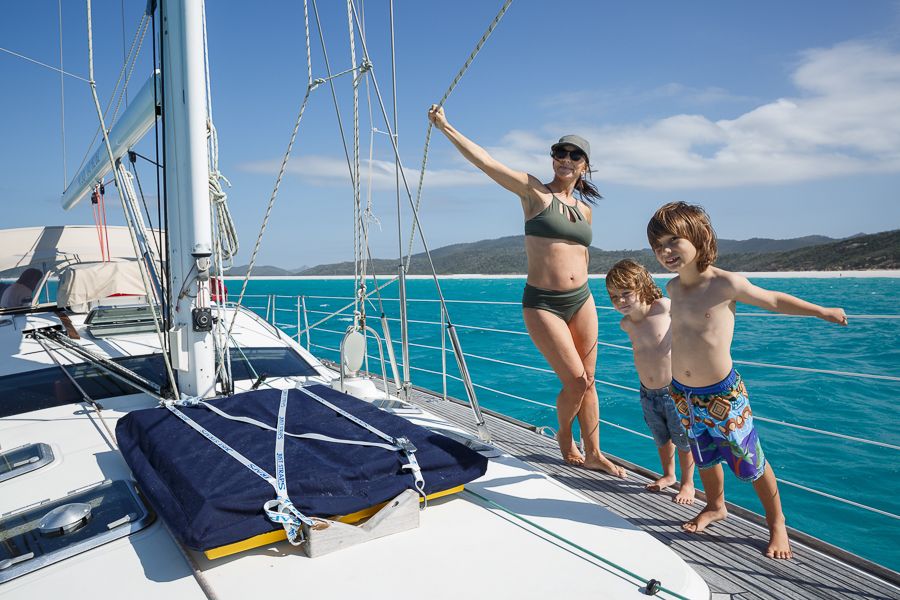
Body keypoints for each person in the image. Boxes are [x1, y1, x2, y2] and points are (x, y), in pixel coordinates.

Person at [428, 104, 624, 477]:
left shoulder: (585, 211)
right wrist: (446, 126)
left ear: (585, 165)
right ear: (553, 158)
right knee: (576, 380)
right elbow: (487, 163)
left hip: (582, 300)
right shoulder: (534, 192)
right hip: (544, 303)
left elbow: (581, 256)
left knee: (591, 380)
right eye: (560, 152)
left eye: (574, 155)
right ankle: (566, 437)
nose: (565, 159)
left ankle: (595, 452)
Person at [647, 201, 847, 559]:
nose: (665, 251)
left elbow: (772, 299)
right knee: (703, 457)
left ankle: (776, 523)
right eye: (658, 245)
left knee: (751, 463)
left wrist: (821, 311)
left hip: (723, 394)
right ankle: (715, 506)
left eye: (674, 240)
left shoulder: (725, 283)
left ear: (699, 236)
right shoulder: (673, 288)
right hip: (684, 394)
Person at [606, 259, 695, 503]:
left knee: (683, 440)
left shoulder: (664, 307)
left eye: (626, 294)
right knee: (661, 437)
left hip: (674, 391)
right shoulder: (626, 324)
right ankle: (668, 475)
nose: (620, 301)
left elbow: (690, 318)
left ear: (642, 286)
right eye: (614, 297)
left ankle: (688, 483)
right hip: (647, 392)